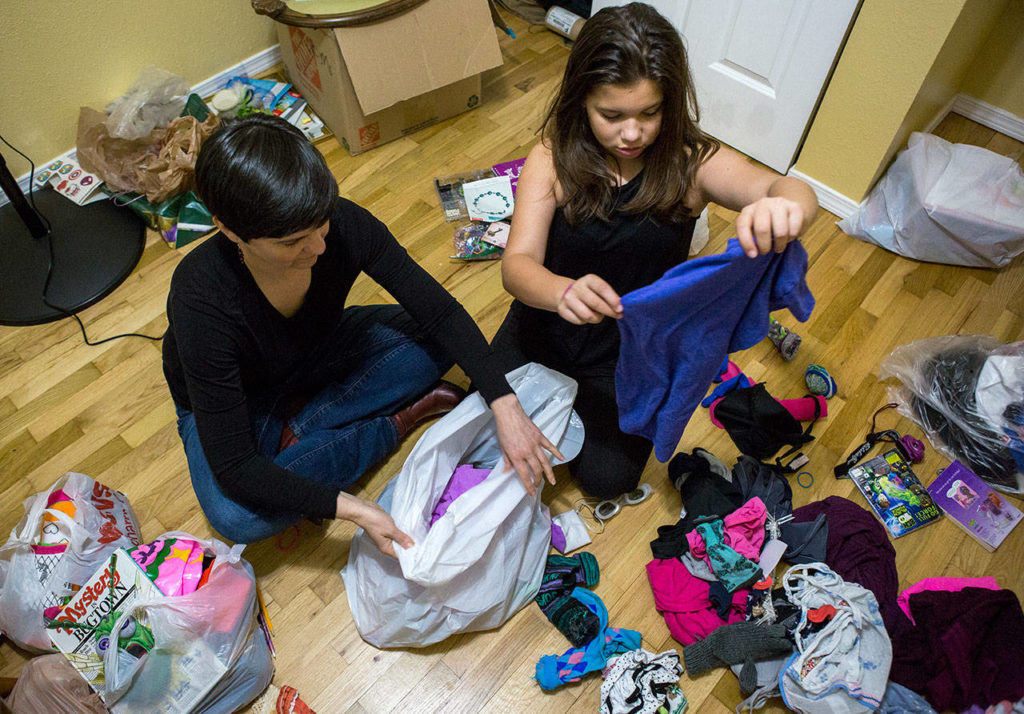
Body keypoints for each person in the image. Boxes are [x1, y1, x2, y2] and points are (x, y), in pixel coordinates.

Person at [163, 114, 561, 556]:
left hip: (313, 350)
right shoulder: (200, 297)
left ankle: (299, 431)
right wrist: (354, 509)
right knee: (235, 515)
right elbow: (235, 465)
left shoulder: (342, 223)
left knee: (433, 341)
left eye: (321, 225)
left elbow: (439, 311)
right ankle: (390, 423)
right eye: (293, 242)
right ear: (230, 230)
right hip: (239, 396)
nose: (317, 247)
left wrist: (505, 405)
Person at [492, 2, 819, 500]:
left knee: (608, 481)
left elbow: (788, 189)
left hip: (629, 352)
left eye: (650, 113)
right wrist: (561, 292)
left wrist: (783, 210)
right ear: (581, 101)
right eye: (611, 115)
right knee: (485, 424)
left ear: (671, 101)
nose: (632, 133)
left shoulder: (691, 163)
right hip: (543, 328)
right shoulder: (551, 158)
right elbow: (516, 267)